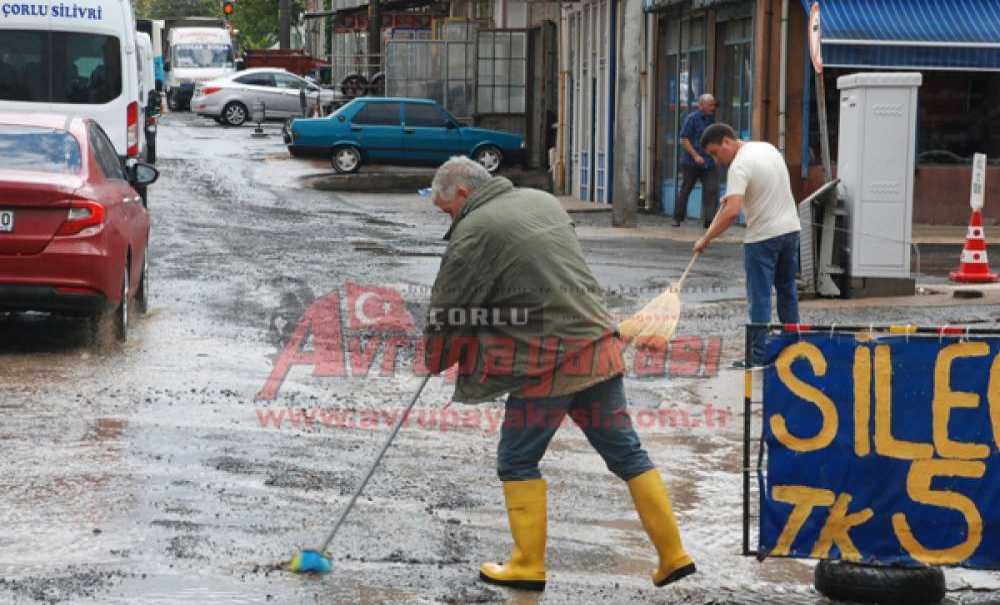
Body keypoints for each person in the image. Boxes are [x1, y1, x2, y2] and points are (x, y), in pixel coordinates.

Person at [424, 156, 696, 592]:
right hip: (598, 348)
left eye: (447, 209)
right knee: (628, 456)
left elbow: (448, 304)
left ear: (462, 193)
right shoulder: (542, 201)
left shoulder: (475, 231)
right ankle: (673, 555)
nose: (450, 217)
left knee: (517, 459)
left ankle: (527, 564)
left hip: (544, 364)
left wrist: (437, 356)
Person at [694, 123, 801, 366]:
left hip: (762, 238)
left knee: (760, 297)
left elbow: (731, 213)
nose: (717, 160)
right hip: (790, 230)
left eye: (715, 153)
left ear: (727, 143)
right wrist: (733, 197)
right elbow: (763, 187)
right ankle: (793, 349)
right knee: (787, 290)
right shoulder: (767, 148)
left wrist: (705, 239)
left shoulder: (739, 165)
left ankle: (758, 357)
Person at [674, 94, 720, 228]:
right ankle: (678, 217)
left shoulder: (713, 120)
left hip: (709, 161)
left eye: (714, 104)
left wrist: (716, 156)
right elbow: (684, 139)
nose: (713, 107)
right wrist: (695, 156)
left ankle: (709, 221)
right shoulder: (692, 119)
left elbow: (715, 139)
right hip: (691, 162)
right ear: (701, 106)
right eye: (710, 105)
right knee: (686, 188)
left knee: (712, 189)